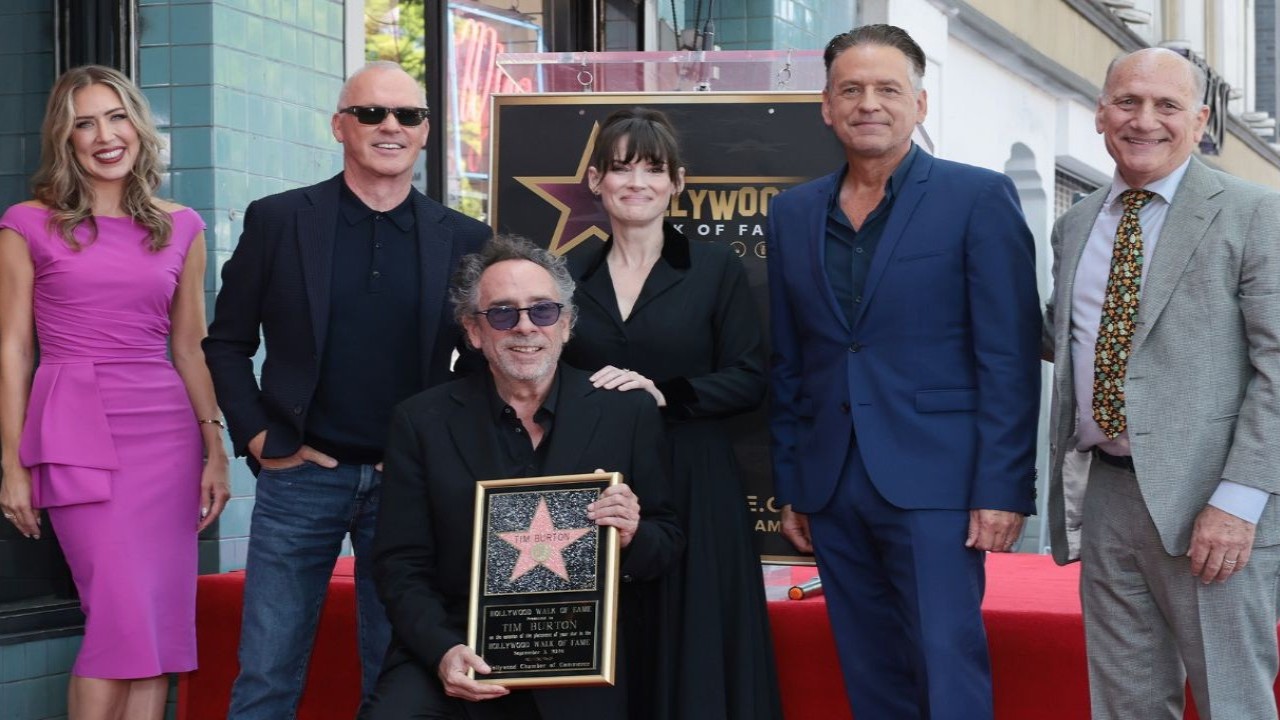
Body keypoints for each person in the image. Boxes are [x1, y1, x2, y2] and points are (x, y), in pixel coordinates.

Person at [766, 25, 1041, 720]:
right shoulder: (793, 213)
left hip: (939, 484)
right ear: (825, 107)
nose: (869, 104)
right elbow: (790, 358)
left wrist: (1003, 487)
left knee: (946, 664)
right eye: (850, 90)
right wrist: (796, 481)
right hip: (833, 482)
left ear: (919, 103)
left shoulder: (977, 198)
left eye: (887, 89)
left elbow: (1007, 357)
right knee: (868, 666)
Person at [202, 61, 491, 718]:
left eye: (407, 116)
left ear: (424, 133)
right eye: (371, 113)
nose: (390, 126)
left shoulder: (466, 238)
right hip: (300, 475)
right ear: (340, 126)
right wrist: (256, 435)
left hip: (408, 484)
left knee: (396, 672)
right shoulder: (280, 220)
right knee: (268, 670)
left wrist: (437, 452)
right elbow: (225, 342)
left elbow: (481, 366)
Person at [1044, 47, 1280, 720]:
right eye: (1127, 101)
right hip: (1110, 495)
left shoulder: (1255, 213)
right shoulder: (1076, 223)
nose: (1144, 120)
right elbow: (1068, 337)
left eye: (1167, 105)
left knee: (1232, 703)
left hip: (1217, 504)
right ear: (1100, 112)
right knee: (1126, 704)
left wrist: (1238, 502)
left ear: (1200, 120)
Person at [362, 234, 682, 719]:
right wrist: (443, 650)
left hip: (583, 651)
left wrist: (633, 534)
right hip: (461, 642)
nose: (525, 328)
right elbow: (400, 563)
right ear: (474, 331)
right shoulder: (421, 421)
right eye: (503, 314)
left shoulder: (626, 412)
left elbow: (667, 540)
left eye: (543, 311)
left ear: (567, 324)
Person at [0, 65, 230, 720]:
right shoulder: (26, 223)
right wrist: (12, 464)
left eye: (116, 116)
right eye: (85, 123)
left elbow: (190, 346)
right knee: (117, 620)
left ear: (138, 124)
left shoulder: (181, 225)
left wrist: (216, 448)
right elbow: (13, 349)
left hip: (166, 437)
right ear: (65, 140)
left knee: (155, 629)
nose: (105, 135)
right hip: (74, 431)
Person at [560, 107, 781, 720]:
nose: (638, 182)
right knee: (603, 642)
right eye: (622, 167)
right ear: (597, 179)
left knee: (697, 645)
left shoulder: (714, 269)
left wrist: (664, 392)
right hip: (593, 483)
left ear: (676, 183)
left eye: (653, 169)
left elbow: (749, 377)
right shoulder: (566, 278)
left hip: (693, 478)